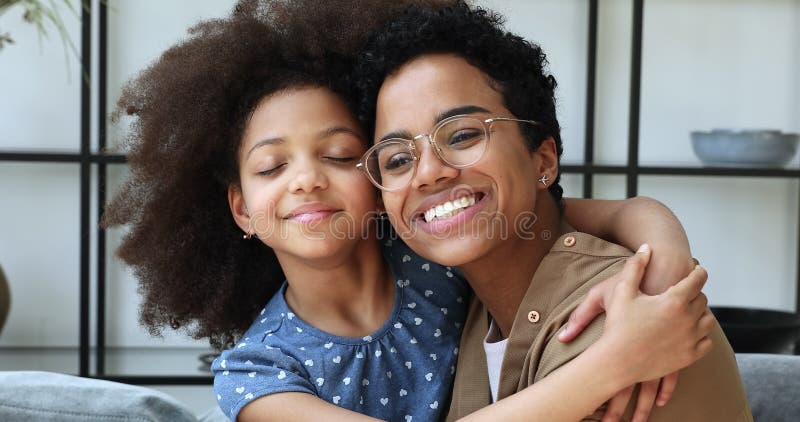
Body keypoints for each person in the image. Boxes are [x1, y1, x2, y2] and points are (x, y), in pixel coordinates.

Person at [101, 1, 710, 421]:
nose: (307, 180)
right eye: (270, 168)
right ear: (239, 208)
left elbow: (584, 212)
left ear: (375, 186)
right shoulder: (257, 370)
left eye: (340, 155)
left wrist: (664, 255)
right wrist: (613, 364)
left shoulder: (438, 257)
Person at [353, 1, 752, 421]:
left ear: (543, 160)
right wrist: (649, 215)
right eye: (397, 160)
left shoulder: (625, 321)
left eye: (464, 134)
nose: (428, 174)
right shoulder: (459, 300)